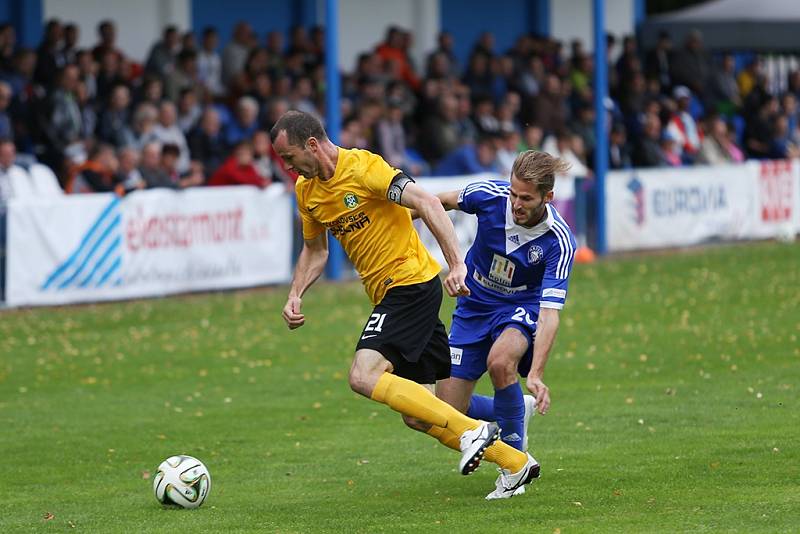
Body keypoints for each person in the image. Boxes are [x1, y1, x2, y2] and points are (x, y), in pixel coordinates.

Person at [271, 110, 539, 499]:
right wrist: (296, 292)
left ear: (312, 144)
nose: (287, 166)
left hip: (410, 283)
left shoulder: (364, 168)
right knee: (419, 414)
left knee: (363, 375)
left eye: (289, 156)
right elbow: (315, 250)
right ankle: (515, 463)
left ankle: (471, 430)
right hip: (392, 294)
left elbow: (428, 203)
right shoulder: (307, 192)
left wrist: (458, 263)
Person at [420, 150, 576, 497]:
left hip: (520, 308)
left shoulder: (558, 241)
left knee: (501, 363)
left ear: (547, 198)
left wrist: (535, 373)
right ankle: (515, 409)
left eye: (526, 198)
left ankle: (514, 467)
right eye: (513, 193)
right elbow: (434, 202)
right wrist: (397, 211)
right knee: (447, 412)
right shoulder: (488, 196)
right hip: (473, 307)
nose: (516, 203)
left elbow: (550, 314)